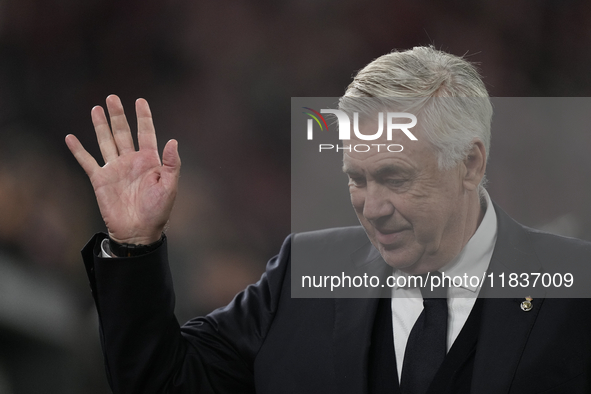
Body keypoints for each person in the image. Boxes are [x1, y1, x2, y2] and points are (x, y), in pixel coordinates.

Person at [65, 46, 591, 394]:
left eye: (396, 177)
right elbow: (164, 383)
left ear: (470, 163)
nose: (373, 205)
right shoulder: (305, 271)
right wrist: (135, 244)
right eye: (356, 179)